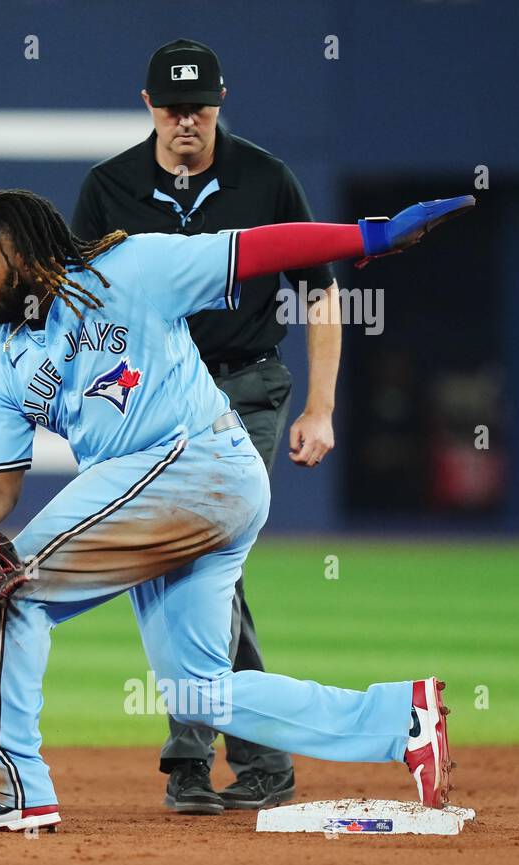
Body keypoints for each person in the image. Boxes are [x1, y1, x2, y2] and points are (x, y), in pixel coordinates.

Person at [0, 188, 469, 832]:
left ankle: (16, 792)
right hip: (176, 500)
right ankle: (402, 721)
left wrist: (367, 238)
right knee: (200, 692)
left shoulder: (131, 269)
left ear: (25, 256)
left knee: (10, 592)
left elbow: (258, 247)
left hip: (195, 464)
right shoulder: (0, 367)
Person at [71, 38, 340, 814]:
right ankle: (263, 762)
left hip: (243, 392)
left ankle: (189, 758)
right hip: (152, 403)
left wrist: (320, 407)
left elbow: (320, 294)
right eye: (172, 104)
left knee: (201, 549)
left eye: (200, 104)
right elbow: (87, 309)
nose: (187, 118)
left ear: (221, 102)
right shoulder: (109, 187)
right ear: (148, 104)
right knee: (192, 567)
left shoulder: (265, 178)